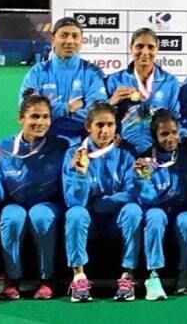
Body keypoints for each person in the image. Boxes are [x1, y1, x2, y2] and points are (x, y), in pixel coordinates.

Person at [62, 102, 141, 302]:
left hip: (115, 219)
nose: (105, 130)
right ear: (88, 126)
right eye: (99, 125)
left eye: (109, 125)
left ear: (116, 127)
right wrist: (81, 175)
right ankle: (79, 277)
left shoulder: (126, 153)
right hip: (90, 222)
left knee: (133, 210)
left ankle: (127, 276)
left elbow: (132, 192)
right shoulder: (74, 154)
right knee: (75, 214)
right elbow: (73, 200)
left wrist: (104, 202)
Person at [0, 94, 69, 300]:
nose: (40, 122)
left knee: (40, 215)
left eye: (45, 117)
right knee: (12, 217)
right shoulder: (2, 148)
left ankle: (47, 278)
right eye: (34, 116)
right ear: (21, 118)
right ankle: (13, 278)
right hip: (11, 204)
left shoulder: (61, 147)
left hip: (48, 205)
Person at [133, 110, 187, 299]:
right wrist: (142, 177)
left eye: (174, 132)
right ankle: (153, 276)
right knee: (154, 216)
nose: (171, 138)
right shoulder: (144, 159)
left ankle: (184, 274)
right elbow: (147, 199)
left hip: (181, 211)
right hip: (156, 210)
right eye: (164, 134)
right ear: (154, 137)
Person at [19, 17, 107, 143]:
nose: (70, 41)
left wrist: (49, 114)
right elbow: (28, 109)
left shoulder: (93, 73)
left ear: (81, 41)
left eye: (75, 36)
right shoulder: (37, 72)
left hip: (82, 144)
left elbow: (97, 114)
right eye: (64, 35)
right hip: (43, 143)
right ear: (53, 39)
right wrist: (67, 108)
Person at [106, 27, 180, 155]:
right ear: (131, 48)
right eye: (139, 46)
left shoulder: (170, 82)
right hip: (122, 150)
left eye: (150, 47)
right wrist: (111, 102)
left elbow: (176, 118)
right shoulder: (114, 80)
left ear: (157, 49)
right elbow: (98, 115)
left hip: (157, 152)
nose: (145, 52)